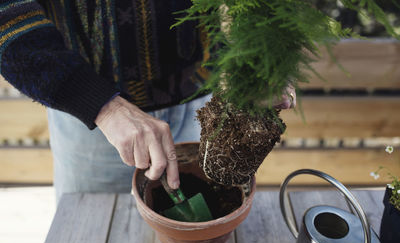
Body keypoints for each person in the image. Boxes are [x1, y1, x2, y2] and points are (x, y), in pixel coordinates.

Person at [0, 0, 296, 202]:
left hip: (199, 99)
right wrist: (101, 105)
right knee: (93, 232)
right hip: (96, 121)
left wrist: (261, 46)